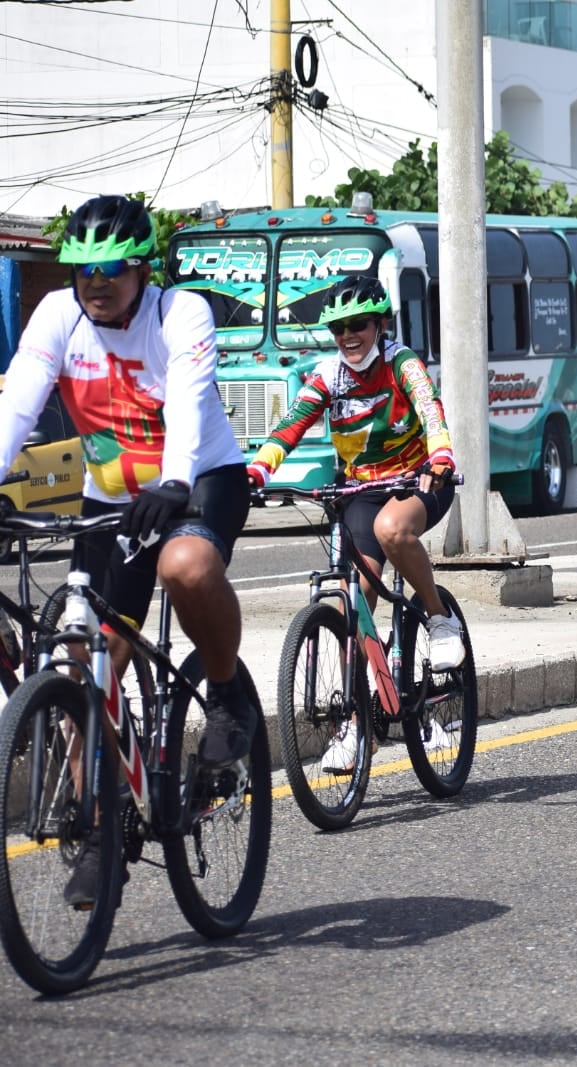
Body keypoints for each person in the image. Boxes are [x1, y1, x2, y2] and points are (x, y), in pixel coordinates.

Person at [0, 194, 255, 907]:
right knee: (80, 658)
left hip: (198, 478)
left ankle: (227, 691)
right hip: (112, 496)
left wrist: (175, 477)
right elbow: (18, 401)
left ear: (144, 268)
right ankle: (103, 834)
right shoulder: (57, 315)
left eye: (112, 267)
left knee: (185, 566)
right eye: (83, 270)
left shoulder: (182, 314)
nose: (96, 282)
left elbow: (188, 397)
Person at [244, 276, 463, 769]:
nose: (347, 335)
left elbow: (430, 411)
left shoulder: (401, 363)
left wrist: (441, 455)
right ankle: (356, 725)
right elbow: (291, 424)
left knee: (391, 530)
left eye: (358, 325)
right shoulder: (328, 376)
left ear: (380, 324)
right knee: (353, 603)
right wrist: (258, 469)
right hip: (360, 490)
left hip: (420, 481)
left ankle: (438, 616)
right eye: (338, 328)